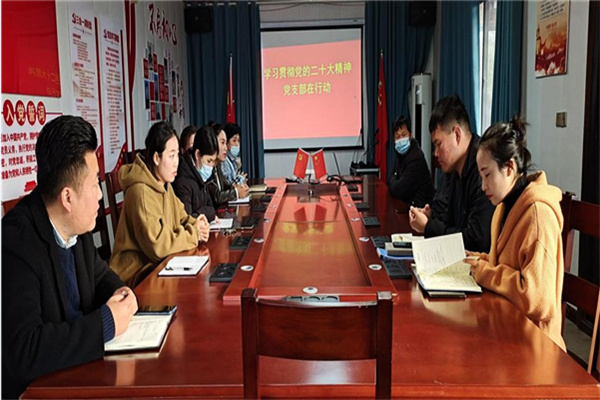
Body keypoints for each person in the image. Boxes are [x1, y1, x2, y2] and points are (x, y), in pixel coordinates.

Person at [2, 116, 138, 399]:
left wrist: (120, 292)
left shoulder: (77, 225)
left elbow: (99, 274)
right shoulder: (17, 242)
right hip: (41, 390)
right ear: (67, 197)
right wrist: (105, 324)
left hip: (84, 371)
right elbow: (25, 350)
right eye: (94, 184)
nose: (99, 195)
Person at [463, 117, 566, 350]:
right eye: (480, 176)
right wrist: (477, 259)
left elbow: (537, 299)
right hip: (508, 329)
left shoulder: (538, 216)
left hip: (536, 346)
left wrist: (484, 272)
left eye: (487, 175)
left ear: (509, 168)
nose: (483, 186)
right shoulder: (503, 207)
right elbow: (505, 264)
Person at [110, 121, 210, 287]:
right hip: (136, 276)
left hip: (159, 267)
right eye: (171, 156)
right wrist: (194, 234)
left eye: (177, 155)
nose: (177, 162)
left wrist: (198, 224)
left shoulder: (164, 185)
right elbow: (158, 247)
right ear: (156, 158)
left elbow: (183, 217)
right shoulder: (141, 192)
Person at [409, 95, 494, 252]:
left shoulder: (484, 169)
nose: (435, 153)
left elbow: (476, 241)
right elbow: (443, 213)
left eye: (439, 144)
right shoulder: (452, 167)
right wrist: (430, 216)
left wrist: (428, 227)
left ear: (457, 135)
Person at [173, 125, 218, 222]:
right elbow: (187, 220)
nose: (211, 167)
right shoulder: (182, 180)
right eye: (208, 161)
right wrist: (207, 213)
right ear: (197, 154)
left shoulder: (200, 175)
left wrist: (205, 213)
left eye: (213, 162)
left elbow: (211, 207)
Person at [387, 115, 435, 207]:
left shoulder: (416, 157)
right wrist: (394, 180)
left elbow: (399, 190)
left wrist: (394, 180)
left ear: (410, 135)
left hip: (421, 207)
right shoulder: (400, 154)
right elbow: (390, 177)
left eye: (404, 134)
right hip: (407, 203)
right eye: (397, 136)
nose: (401, 139)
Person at [207, 127, 249, 206]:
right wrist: (236, 192)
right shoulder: (207, 168)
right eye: (222, 143)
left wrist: (237, 187)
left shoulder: (217, 166)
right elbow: (217, 196)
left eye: (225, 143)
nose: (226, 148)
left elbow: (226, 185)